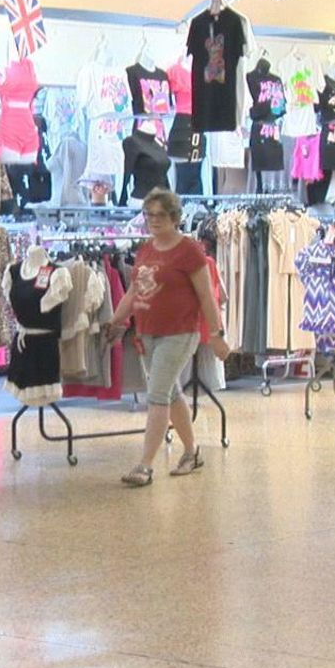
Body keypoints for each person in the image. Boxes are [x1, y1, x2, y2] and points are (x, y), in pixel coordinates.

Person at [113, 189, 231, 487]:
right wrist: (115, 320)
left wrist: (216, 334)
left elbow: (207, 295)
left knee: (157, 395)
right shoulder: (145, 250)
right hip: (148, 332)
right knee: (171, 392)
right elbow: (133, 291)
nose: (154, 220)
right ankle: (192, 453)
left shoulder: (189, 250)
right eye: (149, 215)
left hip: (180, 332)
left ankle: (144, 465)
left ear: (175, 218)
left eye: (160, 215)